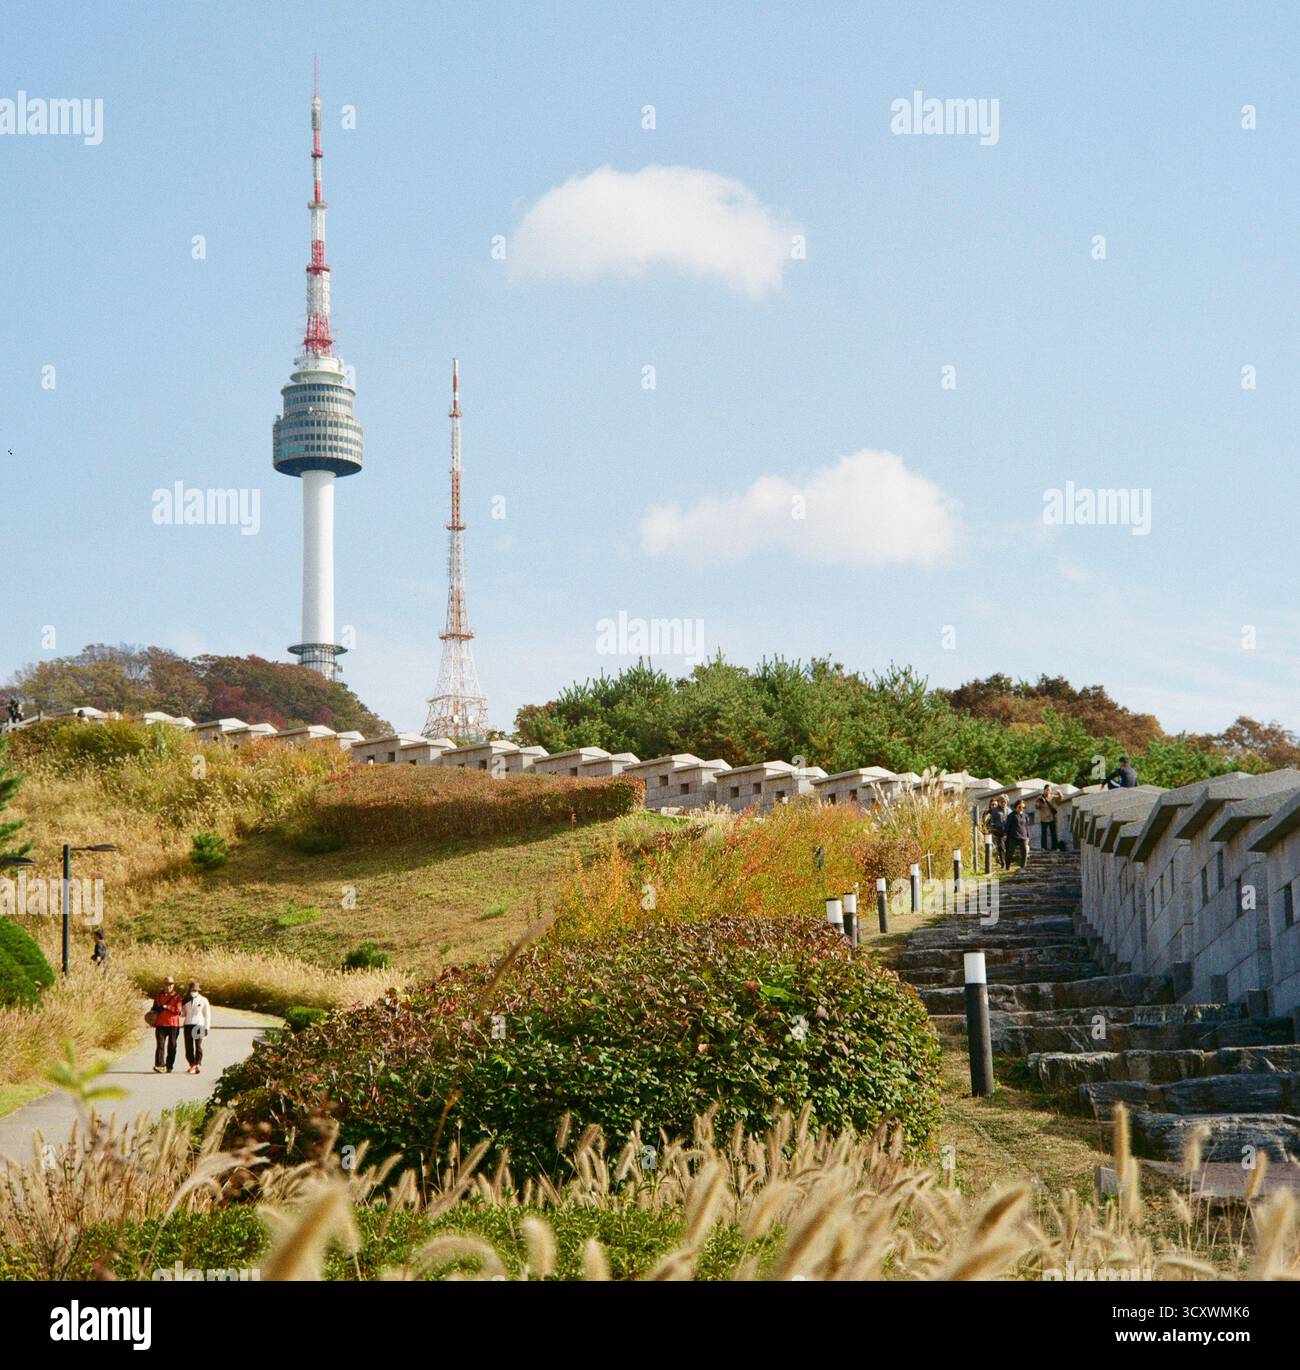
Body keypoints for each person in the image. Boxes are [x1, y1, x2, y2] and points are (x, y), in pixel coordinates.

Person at [151, 976, 184, 1073]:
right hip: (160, 1024)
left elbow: (178, 1011)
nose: (168, 986)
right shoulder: (158, 996)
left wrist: (167, 1006)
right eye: (166, 984)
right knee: (160, 1045)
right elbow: (154, 1008)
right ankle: (159, 1065)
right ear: (163, 985)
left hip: (173, 1025)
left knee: (172, 1045)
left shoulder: (177, 997)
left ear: (173, 985)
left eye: (170, 984)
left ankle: (169, 1066)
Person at [182, 980, 211, 1075]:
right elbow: (183, 1013)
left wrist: (206, 1028)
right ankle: (192, 1064)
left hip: (199, 1024)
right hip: (187, 1024)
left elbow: (207, 1015)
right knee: (188, 1047)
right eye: (192, 989)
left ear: (198, 990)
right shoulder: (186, 1000)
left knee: (198, 1046)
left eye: (195, 990)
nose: (193, 991)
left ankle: (197, 1064)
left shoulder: (203, 1000)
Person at [1004, 799, 1031, 869]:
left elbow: (1026, 826)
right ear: (1016, 807)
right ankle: (1007, 866)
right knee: (1010, 853)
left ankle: (1023, 867)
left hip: (1023, 837)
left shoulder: (1025, 816)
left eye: (1023, 807)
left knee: (1024, 853)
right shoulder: (1011, 815)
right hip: (1013, 836)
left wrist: (1028, 836)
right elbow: (1007, 826)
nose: (1021, 809)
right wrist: (1005, 834)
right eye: (1019, 807)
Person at [982, 797, 1007, 869]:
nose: (994, 806)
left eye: (995, 805)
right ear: (990, 805)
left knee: (1001, 847)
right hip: (990, 834)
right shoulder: (988, 812)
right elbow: (984, 824)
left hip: (999, 832)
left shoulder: (1001, 812)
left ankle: (1002, 863)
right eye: (992, 805)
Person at [1035, 787, 1059, 851]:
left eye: (1049, 790)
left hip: (1052, 818)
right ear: (1044, 790)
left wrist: (1059, 792)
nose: (1048, 791)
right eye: (1047, 790)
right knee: (1044, 834)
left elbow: (1061, 798)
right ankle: (1043, 847)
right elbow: (1036, 807)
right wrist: (1039, 803)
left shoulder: (1053, 797)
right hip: (1043, 818)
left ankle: (1055, 847)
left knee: (1053, 833)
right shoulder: (1040, 798)